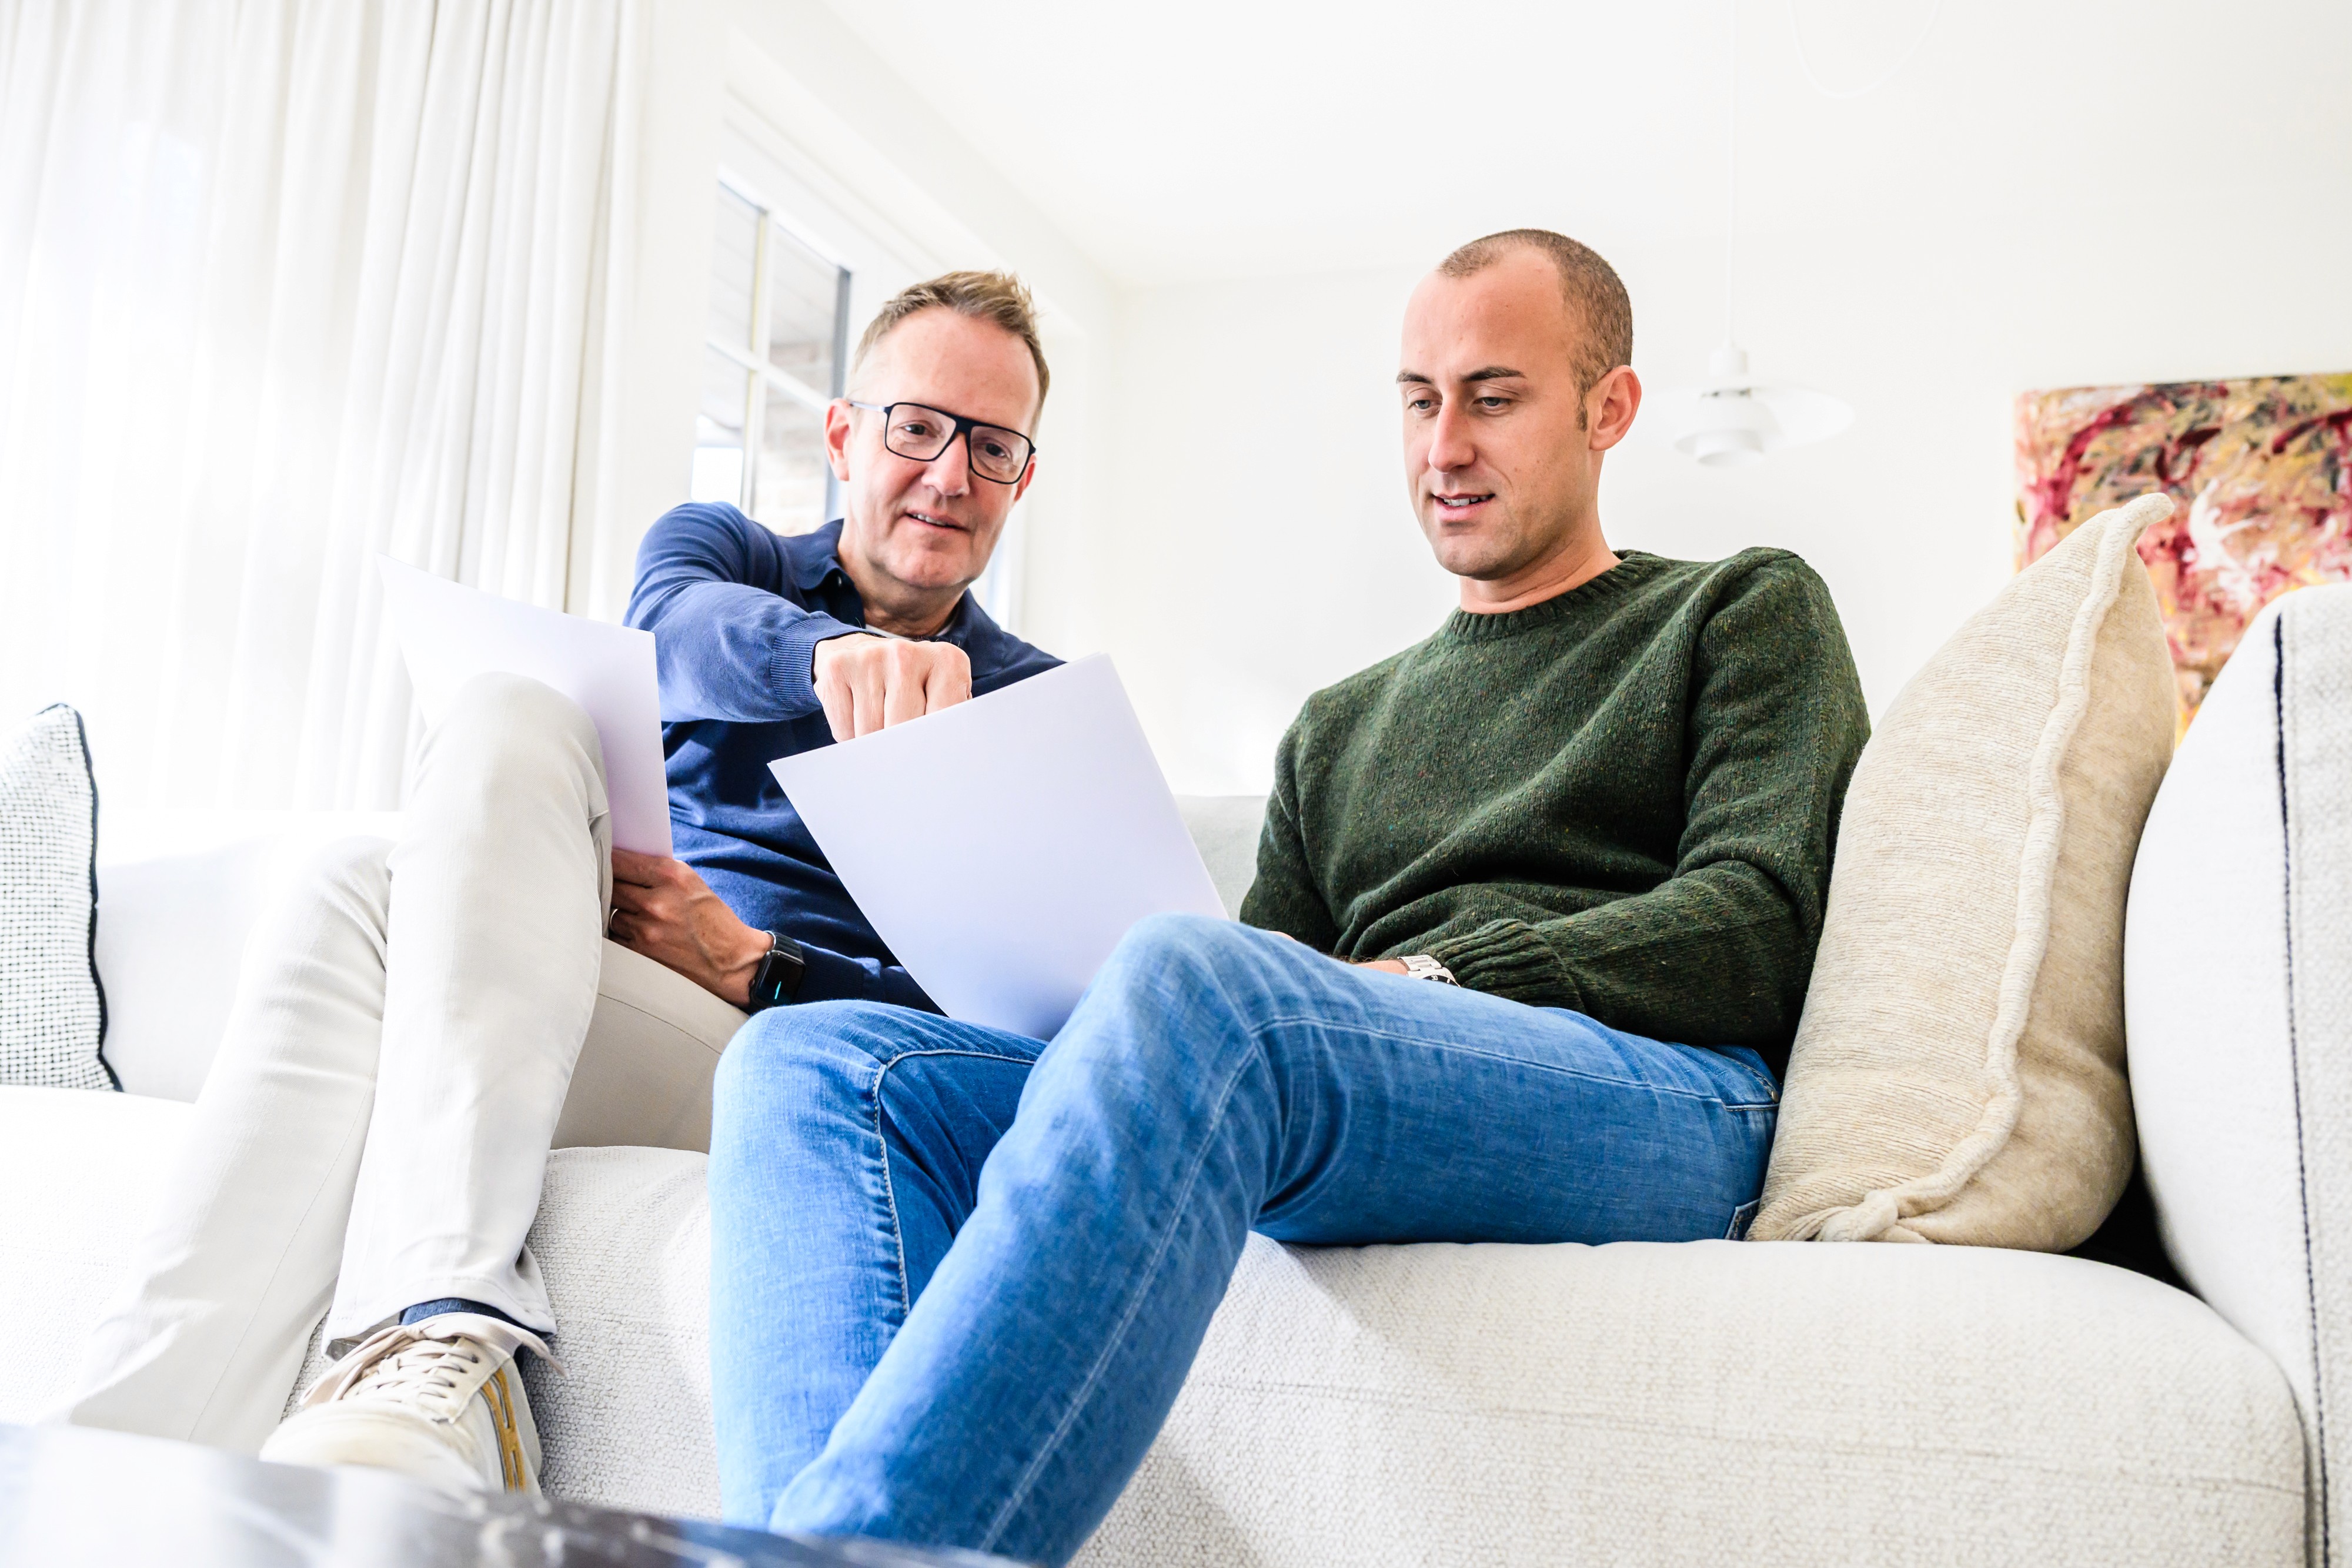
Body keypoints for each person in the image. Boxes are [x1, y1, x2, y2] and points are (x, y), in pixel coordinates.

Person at [706, 229, 1872, 1565]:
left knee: (1204, 988)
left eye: (1492, 397)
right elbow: (1255, 983)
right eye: (1417, 400)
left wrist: (1431, 979)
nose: (1443, 447)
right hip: (1363, 1077)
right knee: (816, 1059)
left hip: (1660, 1088)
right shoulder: (1338, 725)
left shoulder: (1736, 608)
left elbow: (1757, 918)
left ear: (1609, 410)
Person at [60, 271, 1060, 1497]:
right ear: (844, 432)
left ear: (1022, 476)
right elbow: (674, 631)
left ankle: (420, 1337)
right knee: (501, 718)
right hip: (559, 968)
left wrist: (760, 961)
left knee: (343, 888)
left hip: (757, 1045)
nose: (949, 475)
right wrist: (845, 657)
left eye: (993, 445)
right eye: (916, 425)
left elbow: (1009, 1022)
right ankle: (119, 1468)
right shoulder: (721, 554)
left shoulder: (1032, 707)